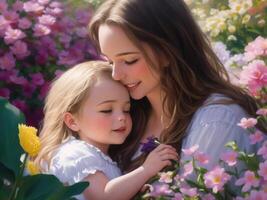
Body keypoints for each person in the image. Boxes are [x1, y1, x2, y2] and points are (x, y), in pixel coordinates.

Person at [88, 0, 266, 173]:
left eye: (129, 60)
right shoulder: (125, 115)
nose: (116, 75)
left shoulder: (216, 120)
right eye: (110, 61)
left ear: (168, 51)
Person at [33, 61, 178, 200]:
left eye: (126, 110)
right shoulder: (76, 154)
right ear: (72, 121)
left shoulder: (100, 156)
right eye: (107, 110)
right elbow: (104, 196)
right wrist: (146, 169)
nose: (121, 117)